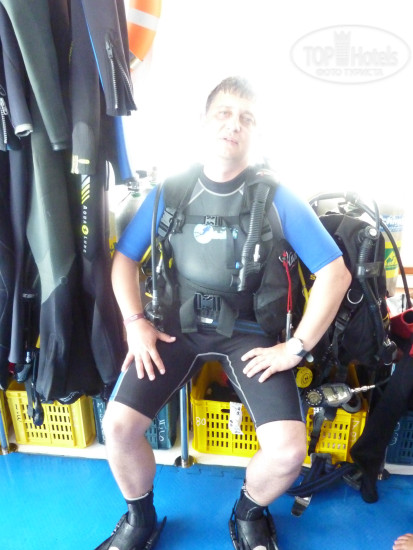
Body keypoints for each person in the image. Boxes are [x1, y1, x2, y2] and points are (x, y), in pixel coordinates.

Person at [96, 76, 351, 550]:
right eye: (224, 114)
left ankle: (248, 512)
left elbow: (335, 274)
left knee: (288, 451)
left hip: (251, 333)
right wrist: (135, 323)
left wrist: (295, 348)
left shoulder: (278, 198)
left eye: (247, 118)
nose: (234, 125)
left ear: (256, 133)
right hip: (175, 328)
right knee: (117, 427)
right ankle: (139, 519)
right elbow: (124, 260)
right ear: (204, 123)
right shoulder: (171, 191)